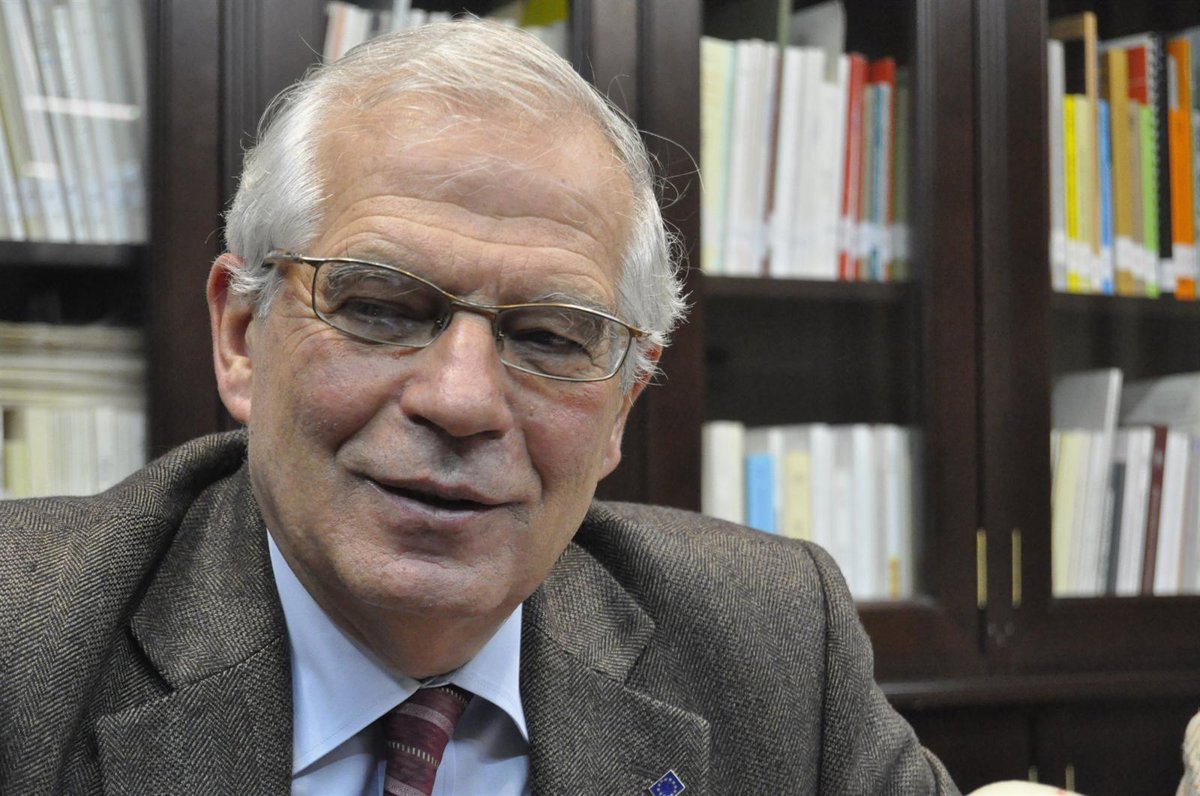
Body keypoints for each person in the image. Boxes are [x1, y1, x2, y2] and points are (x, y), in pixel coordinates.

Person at [0, 19, 959, 796]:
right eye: (379, 308)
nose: (461, 402)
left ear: (624, 403)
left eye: (550, 336)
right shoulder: (25, 643)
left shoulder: (772, 645)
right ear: (242, 336)